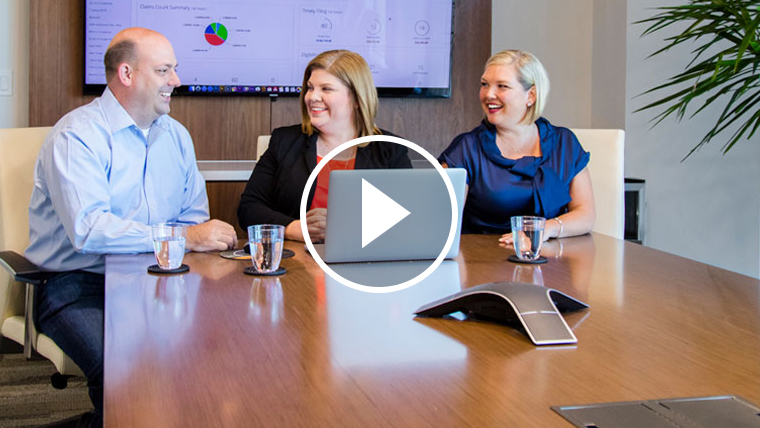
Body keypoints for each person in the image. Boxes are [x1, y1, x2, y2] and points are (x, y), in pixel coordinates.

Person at [24, 28, 237, 426]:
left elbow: (194, 216)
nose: (176, 80)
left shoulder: (176, 137)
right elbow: (89, 231)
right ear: (126, 74)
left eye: (174, 70)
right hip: (79, 283)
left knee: (217, 353)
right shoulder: (77, 136)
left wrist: (191, 235)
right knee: (123, 370)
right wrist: (183, 237)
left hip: (160, 278)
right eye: (163, 70)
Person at [237, 50, 411, 242]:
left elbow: (408, 218)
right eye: (310, 88)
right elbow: (248, 209)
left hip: (363, 261)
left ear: (355, 98)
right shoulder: (284, 141)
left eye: (326, 89)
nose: (312, 97)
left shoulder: (390, 150)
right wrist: (294, 228)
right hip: (297, 261)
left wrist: (346, 228)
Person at [439, 49, 595, 243]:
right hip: (483, 261)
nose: (489, 94)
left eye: (502, 86)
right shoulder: (465, 149)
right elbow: (441, 226)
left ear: (531, 95)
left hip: (552, 259)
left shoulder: (565, 142)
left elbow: (585, 214)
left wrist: (545, 229)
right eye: (484, 85)